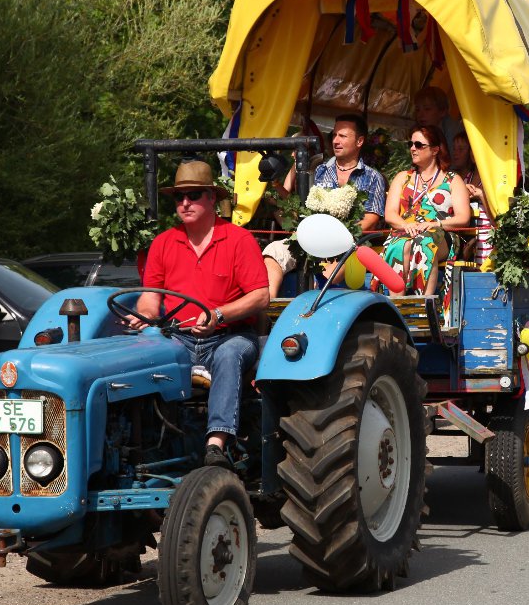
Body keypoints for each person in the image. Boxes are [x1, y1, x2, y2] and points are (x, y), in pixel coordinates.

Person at [135, 160, 270, 469]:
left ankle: (216, 444)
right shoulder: (163, 243)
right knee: (142, 355)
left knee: (229, 354)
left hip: (230, 336)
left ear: (211, 198)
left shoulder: (238, 240)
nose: (185, 203)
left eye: (194, 195)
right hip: (178, 339)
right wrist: (144, 317)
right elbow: (150, 297)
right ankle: (149, 446)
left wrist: (219, 315)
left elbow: (261, 296)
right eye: (178, 197)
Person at [263, 114, 387, 293]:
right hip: (311, 239)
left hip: (350, 244)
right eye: (334, 135)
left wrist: (340, 238)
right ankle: (269, 311)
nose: (336, 140)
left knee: (331, 272)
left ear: (359, 141)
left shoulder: (373, 177)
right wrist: (274, 185)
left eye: (342, 136)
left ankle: (314, 307)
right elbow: (301, 207)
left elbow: (371, 219)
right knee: (273, 252)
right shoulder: (317, 169)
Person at [381, 124, 471, 296]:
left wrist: (433, 224)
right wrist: (406, 225)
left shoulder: (452, 179)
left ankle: (424, 305)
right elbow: (390, 214)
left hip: (441, 234)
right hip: (406, 231)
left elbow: (463, 218)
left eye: (419, 145)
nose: (413, 149)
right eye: (411, 145)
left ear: (435, 150)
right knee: (398, 244)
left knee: (424, 242)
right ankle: (398, 307)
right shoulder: (402, 177)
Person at [451, 130, 493, 265]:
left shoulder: (491, 180)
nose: (475, 152)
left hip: (487, 240)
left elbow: (498, 219)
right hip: (469, 242)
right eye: (474, 147)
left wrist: (481, 195)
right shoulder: (466, 178)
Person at [413, 85, 461, 153]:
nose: (420, 115)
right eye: (417, 110)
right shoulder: (418, 129)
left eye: (427, 109)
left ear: (442, 111)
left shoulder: (453, 132)